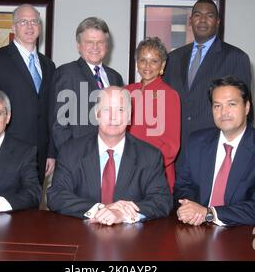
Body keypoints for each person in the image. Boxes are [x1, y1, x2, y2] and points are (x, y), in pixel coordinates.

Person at [47, 86, 172, 225]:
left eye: (120, 110)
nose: (113, 117)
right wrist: (100, 209)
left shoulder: (150, 156)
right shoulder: (70, 151)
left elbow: (162, 200)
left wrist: (122, 213)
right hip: (81, 238)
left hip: (131, 242)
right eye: (107, 109)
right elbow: (56, 195)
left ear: (129, 115)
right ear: (96, 114)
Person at [173, 76, 255, 226]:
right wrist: (188, 207)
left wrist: (209, 213)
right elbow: (183, 186)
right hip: (196, 228)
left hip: (243, 234)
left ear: (247, 107)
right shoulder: (196, 142)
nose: (223, 112)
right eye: (217, 106)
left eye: (231, 104)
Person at [163, 0, 251, 169]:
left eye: (209, 15)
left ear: (217, 22)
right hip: (175, 153)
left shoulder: (236, 58)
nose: (202, 20)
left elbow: (244, 109)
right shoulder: (173, 58)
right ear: (190, 21)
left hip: (215, 150)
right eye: (197, 15)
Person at [0, 4, 56, 186]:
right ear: (13, 27)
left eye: (34, 21)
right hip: (6, 152)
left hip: (40, 155)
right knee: (2, 209)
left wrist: (51, 152)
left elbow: (51, 112)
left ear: (40, 26)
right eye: (23, 21)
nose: (29, 26)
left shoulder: (49, 66)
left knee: (32, 210)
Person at [52, 17, 124, 151]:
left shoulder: (115, 78)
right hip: (78, 157)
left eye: (100, 42)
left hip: (109, 156)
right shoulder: (66, 73)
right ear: (78, 45)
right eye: (89, 42)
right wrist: (71, 158)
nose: (95, 47)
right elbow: (59, 124)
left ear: (107, 45)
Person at [126, 37, 180, 193]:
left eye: (154, 61)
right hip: (125, 173)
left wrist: (143, 167)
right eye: (143, 60)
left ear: (162, 65)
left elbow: (171, 147)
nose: (147, 66)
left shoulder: (170, 95)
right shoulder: (126, 91)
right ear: (137, 63)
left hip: (154, 174)